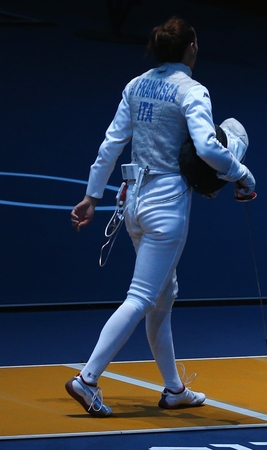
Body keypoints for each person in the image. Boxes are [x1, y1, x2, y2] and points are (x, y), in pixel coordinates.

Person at [67, 16, 256, 417]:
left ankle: (174, 390)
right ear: (191, 48)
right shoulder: (192, 90)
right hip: (166, 205)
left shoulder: (136, 85)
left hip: (133, 201)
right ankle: (87, 379)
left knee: (162, 296)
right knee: (142, 297)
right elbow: (207, 147)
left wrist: (91, 196)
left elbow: (111, 144)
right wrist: (241, 173)